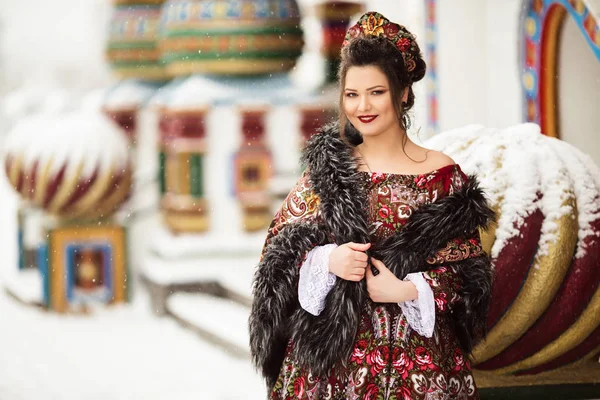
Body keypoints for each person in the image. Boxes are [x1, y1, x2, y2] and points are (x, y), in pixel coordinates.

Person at [249, 11, 494, 400]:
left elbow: (467, 272)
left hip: (418, 364)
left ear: (403, 93)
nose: (362, 105)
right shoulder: (326, 175)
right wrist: (327, 261)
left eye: (376, 92)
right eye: (351, 93)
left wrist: (408, 290)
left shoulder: (442, 175)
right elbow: (277, 257)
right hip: (328, 366)